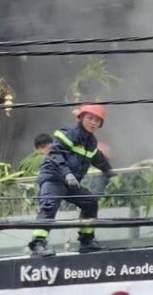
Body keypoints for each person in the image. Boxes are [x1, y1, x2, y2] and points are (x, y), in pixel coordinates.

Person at [27, 104, 115, 257]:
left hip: (70, 182)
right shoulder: (69, 133)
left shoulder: (91, 142)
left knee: (90, 202)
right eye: (90, 118)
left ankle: (86, 241)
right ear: (81, 118)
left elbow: (97, 159)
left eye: (97, 120)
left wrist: (110, 173)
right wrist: (67, 173)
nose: (93, 122)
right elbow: (55, 154)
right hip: (54, 177)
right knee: (49, 206)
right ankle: (38, 244)